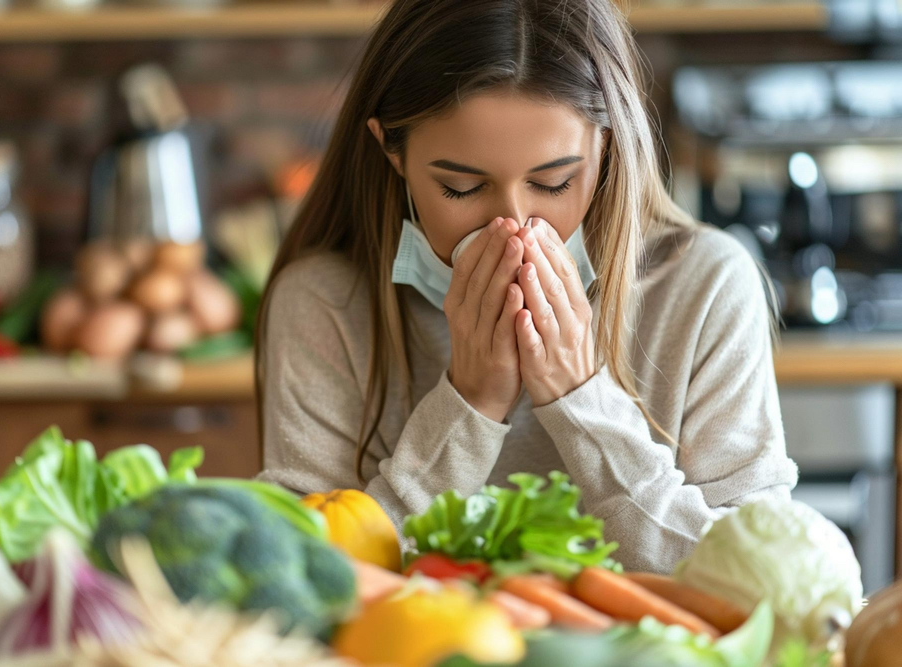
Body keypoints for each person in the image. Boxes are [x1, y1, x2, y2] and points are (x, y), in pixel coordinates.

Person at [253, 0, 799, 572]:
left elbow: (760, 576)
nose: (514, 226)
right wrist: (469, 404)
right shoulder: (321, 303)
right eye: (462, 188)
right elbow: (304, 583)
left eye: (554, 182)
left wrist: (581, 397)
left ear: (607, 146)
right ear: (391, 150)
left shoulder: (706, 285)